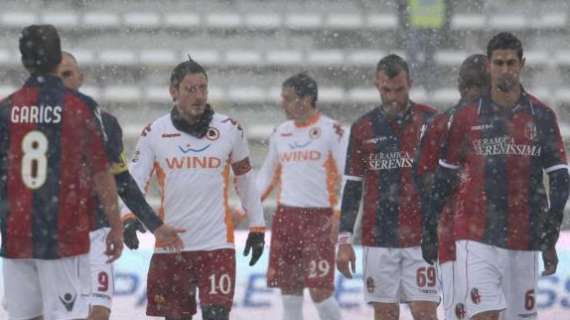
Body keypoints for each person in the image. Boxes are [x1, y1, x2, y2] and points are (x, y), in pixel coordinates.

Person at [422, 32, 570, 320]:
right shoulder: (465, 118)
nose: (505, 70)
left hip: (523, 234)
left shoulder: (541, 116)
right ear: (489, 65)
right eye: (499, 63)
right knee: (484, 315)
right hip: (475, 235)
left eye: (511, 63)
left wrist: (551, 227)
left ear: (522, 64)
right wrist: (430, 225)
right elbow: (445, 176)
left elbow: (560, 177)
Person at [127, 57, 266, 320]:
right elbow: (134, 182)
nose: (199, 96)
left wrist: (257, 226)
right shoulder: (154, 132)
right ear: (173, 92)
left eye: (203, 88)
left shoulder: (230, 129)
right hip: (171, 245)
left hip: (216, 245)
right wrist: (128, 217)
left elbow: (245, 179)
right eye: (191, 89)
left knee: (217, 316)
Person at [0, 24, 123, 320]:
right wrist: (115, 224)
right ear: (57, 60)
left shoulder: (7, 108)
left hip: (16, 233)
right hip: (61, 234)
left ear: (25, 60)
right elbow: (101, 172)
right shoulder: (79, 107)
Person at [56, 51, 186, 320]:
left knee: (99, 311)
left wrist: (155, 225)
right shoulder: (29, 122)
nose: (62, 80)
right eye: (56, 75)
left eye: (68, 73)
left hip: (98, 232)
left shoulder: (106, 123)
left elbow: (123, 181)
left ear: (81, 78)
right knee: (60, 313)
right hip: (53, 233)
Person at [336, 54, 439, 320]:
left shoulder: (432, 121)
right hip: (378, 238)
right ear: (376, 86)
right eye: (386, 90)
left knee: (425, 312)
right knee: (385, 314)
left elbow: (449, 180)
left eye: (399, 90)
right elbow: (353, 186)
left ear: (410, 84)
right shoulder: (362, 127)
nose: (393, 97)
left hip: (423, 238)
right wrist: (345, 239)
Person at [256, 73, 344, 320]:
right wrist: (244, 209)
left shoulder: (332, 131)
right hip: (286, 218)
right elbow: (267, 175)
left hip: (319, 220)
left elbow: (350, 177)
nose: (282, 103)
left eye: (287, 98)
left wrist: (340, 216)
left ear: (305, 100)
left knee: (320, 292)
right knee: (290, 293)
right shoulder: (281, 132)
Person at [416, 54, 489, 320]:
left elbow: (422, 179)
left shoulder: (438, 123)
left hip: (458, 235)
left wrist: (429, 224)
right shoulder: (442, 124)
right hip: (484, 235)